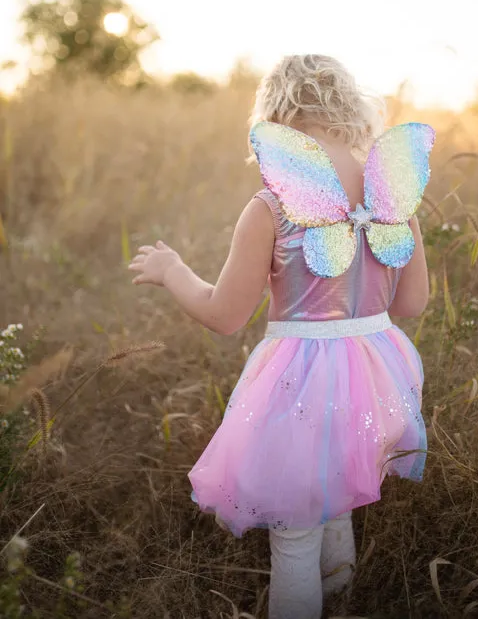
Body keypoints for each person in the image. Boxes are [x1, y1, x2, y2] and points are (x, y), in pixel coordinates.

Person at [128, 54, 434, 619]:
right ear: (349, 108)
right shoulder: (393, 195)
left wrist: (173, 271)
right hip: (377, 375)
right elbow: (413, 303)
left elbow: (224, 316)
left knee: (295, 531)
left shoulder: (272, 204)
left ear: (275, 115)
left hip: (300, 382)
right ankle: (344, 600)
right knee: (335, 499)